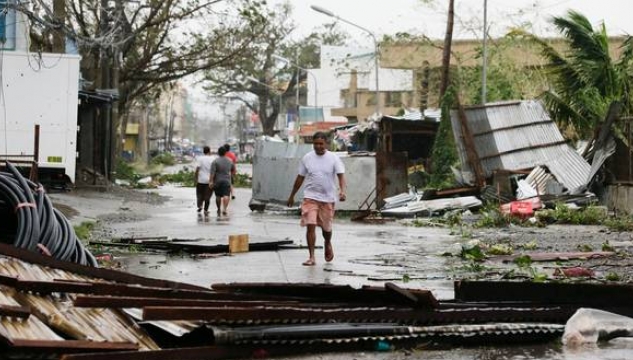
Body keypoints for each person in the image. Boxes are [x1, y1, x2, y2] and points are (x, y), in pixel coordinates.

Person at [287, 132, 346, 266]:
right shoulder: (307, 158)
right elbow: (300, 177)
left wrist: (342, 191)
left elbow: (341, 176)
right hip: (310, 197)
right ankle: (311, 257)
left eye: (321, 144)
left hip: (327, 198)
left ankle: (327, 242)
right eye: (315, 144)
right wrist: (292, 195)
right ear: (312, 144)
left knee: (326, 229)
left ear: (326, 143)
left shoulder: (333, 158)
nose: (318, 146)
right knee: (310, 225)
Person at [210, 146, 236, 216]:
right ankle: (224, 209)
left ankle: (218, 208)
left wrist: (211, 181)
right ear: (225, 152)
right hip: (227, 180)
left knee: (218, 196)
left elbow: (212, 173)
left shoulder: (215, 161)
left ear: (218, 153)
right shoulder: (230, 161)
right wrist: (231, 175)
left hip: (217, 181)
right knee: (226, 195)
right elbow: (233, 170)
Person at [194, 146, 214, 215]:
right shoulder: (212, 159)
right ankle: (206, 209)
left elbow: (197, 169)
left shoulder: (200, 158)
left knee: (199, 194)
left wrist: (195, 178)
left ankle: (200, 205)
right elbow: (214, 170)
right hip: (209, 180)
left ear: (203, 151)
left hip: (201, 180)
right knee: (207, 196)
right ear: (209, 151)